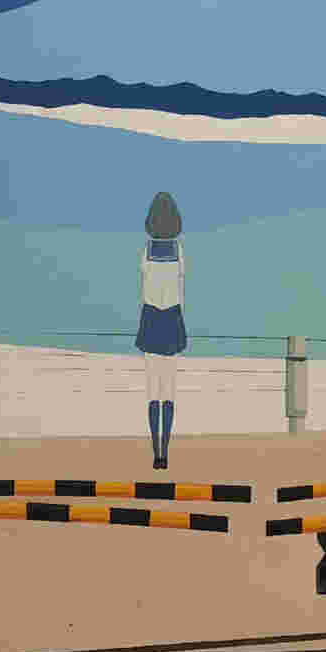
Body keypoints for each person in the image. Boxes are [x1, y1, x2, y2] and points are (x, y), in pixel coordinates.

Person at [137, 192, 187, 472]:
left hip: (151, 318)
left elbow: (143, 290)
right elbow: (182, 291)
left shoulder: (146, 250)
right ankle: (165, 453)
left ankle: (155, 452)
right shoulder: (179, 250)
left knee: (152, 392)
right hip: (172, 318)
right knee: (169, 391)